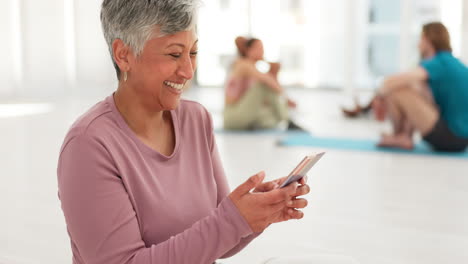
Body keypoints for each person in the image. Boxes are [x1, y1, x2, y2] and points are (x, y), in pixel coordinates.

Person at [57, 1, 311, 263]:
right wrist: (233, 220)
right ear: (123, 55)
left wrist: (254, 213)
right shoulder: (88, 145)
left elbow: (216, 240)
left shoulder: (196, 119)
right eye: (174, 54)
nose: (188, 71)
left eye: (193, 52)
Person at [374, 22, 468, 151]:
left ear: (427, 40)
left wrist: (378, 95)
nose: (418, 44)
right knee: (411, 87)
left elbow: (393, 81)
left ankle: (400, 136)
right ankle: (403, 135)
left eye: (420, 39)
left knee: (398, 89)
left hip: (452, 137)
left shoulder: (438, 62)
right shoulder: (449, 61)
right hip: (459, 138)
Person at [223, 36, 304, 130]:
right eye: (259, 48)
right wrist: (287, 99)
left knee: (272, 116)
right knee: (263, 84)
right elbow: (268, 81)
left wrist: (274, 70)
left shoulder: (252, 67)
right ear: (248, 50)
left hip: (243, 112)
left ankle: (279, 121)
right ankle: (288, 120)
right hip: (233, 116)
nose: (262, 51)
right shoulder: (243, 64)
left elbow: (269, 94)